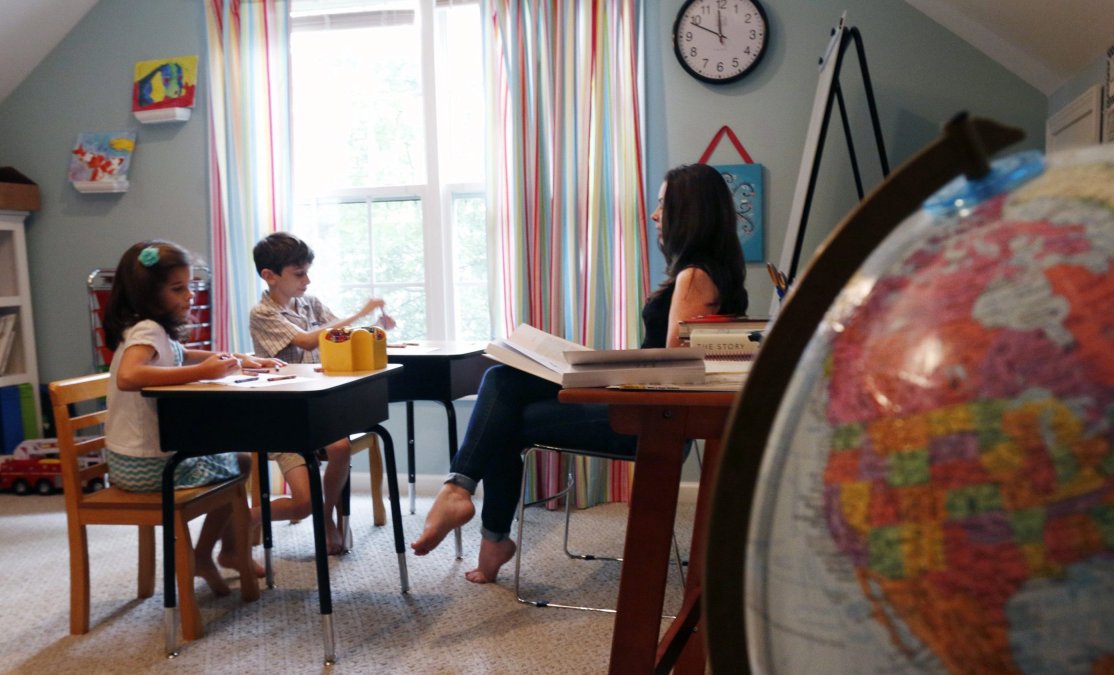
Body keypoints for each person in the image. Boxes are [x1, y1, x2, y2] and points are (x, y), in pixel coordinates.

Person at [412, 163, 748, 582]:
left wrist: (602, 370)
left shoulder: (695, 276)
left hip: (645, 417)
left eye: (663, 204)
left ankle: (469, 506)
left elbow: (672, 369)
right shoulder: (707, 273)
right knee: (502, 380)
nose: (655, 214)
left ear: (689, 211)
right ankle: (473, 511)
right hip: (636, 403)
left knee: (504, 417)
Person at [102, 239, 277, 594]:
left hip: (129, 460)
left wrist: (238, 359)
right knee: (240, 463)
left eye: (190, 286)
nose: (189, 296)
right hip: (147, 465)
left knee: (238, 460)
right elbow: (129, 376)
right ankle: (213, 553)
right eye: (177, 288)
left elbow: (185, 353)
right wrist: (204, 374)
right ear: (148, 294)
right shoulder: (147, 331)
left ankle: (220, 552)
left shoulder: (150, 331)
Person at [248, 231, 396, 555]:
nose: (307, 280)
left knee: (340, 447)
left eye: (307, 271)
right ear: (269, 276)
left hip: (317, 407)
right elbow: (306, 340)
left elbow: (341, 332)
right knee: (301, 503)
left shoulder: (309, 303)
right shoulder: (263, 313)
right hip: (283, 415)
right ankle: (245, 520)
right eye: (299, 274)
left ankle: (325, 515)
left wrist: (374, 325)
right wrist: (360, 313)